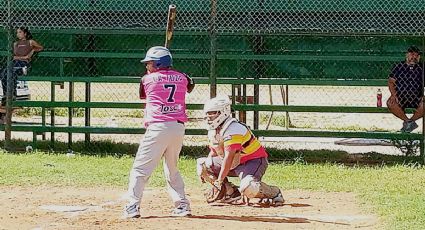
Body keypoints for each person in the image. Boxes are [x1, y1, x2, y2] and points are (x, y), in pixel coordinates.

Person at [123, 46, 195, 218]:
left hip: (158, 127)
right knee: (172, 168)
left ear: (158, 63)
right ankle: (182, 205)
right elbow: (190, 84)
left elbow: (143, 94)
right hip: (177, 128)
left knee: (140, 169)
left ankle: (132, 206)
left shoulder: (146, 80)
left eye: (149, 63)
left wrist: (158, 75)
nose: (147, 66)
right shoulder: (183, 77)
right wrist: (170, 74)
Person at [196, 96, 284, 206]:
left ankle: (274, 193)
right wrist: (207, 173)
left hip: (253, 161)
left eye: (213, 113)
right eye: (208, 114)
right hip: (235, 162)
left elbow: (229, 157)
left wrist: (219, 181)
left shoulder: (234, 129)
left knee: (249, 187)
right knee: (202, 165)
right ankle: (231, 193)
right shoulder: (214, 130)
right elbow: (214, 153)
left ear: (224, 112)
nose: (209, 117)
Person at [1, 27, 43, 105]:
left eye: (20, 32)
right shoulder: (15, 44)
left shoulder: (30, 42)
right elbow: (13, 57)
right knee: (4, 73)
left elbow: (40, 48)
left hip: (23, 63)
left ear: (25, 33)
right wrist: (25, 57)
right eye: (17, 32)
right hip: (15, 62)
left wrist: (33, 50)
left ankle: (12, 94)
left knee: (11, 72)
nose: (18, 34)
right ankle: (6, 94)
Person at [387, 45, 424, 133]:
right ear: (407, 55)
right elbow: (391, 82)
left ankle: (409, 123)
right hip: (400, 96)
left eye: (416, 55)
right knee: (390, 103)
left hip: (417, 97)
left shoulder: (422, 67)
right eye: (411, 54)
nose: (413, 57)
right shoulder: (399, 67)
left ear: (419, 57)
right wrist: (393, 95)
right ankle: (409, 122)